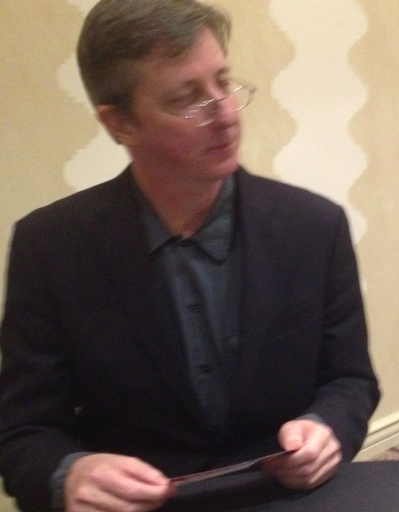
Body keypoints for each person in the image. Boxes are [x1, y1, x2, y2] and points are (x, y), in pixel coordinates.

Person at [0, 1, 379, 511]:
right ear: (119, 123)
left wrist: (325, 428)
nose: (225, 113)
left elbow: (349, 380)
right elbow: (23, 431)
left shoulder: (314, 226)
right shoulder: (50, 246)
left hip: (283, 495)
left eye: (223, 82)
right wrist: (69, 473)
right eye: (187, 98)